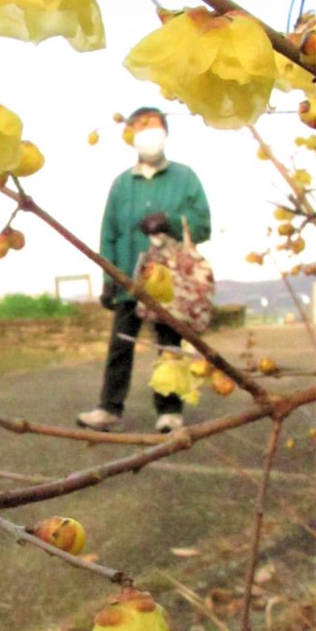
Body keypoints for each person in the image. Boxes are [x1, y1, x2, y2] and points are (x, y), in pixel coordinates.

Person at [77, 107, 211, 434]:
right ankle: (109, 409)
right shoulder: (122, 184)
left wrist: (172, 223)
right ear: (131, 136)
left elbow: (203, 224)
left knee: (169, 345)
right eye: (139, 126)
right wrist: (108, 279)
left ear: (165, 131)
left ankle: (169, 411)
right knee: (120, 346)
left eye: (152, 125)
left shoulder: (185, 177)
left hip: (167, 283)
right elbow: (109, 233)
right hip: (127, 279)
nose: (146, 132)